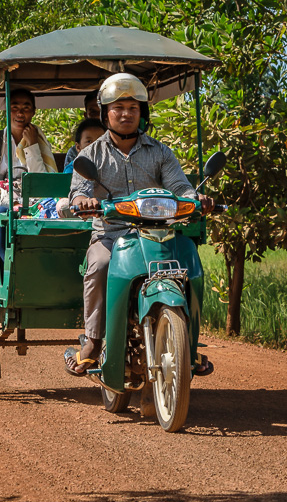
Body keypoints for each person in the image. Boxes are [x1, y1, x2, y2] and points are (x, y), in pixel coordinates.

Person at [64, 73, 215, 390]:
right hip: (110, 235)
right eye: (118, 107)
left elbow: (180, 187)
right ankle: (92, 340)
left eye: (133, 107)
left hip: (157, 234)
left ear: (141, 112)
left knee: (193, 265)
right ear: (106, 112)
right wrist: (83, 200)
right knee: (99, 265)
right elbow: (78, 191)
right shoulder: (91, 154)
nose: (126, 113)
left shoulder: (160, 152)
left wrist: (194, 199)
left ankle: (192, 341)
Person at [0, 88, 57, 262]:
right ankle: (7, 267)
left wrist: (31, 146)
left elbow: (42, 181)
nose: (20, 113)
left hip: (33, 205)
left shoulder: (39, 141)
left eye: (26, 107)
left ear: (33, 112)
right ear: (7, 110)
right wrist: (11, 202)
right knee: (4, 213)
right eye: (14, 107)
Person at [62, 91, 101, 170]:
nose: (98, 116)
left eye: (102, 112)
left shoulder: (121, 146)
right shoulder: (74, 153)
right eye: (93, 112)